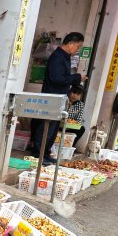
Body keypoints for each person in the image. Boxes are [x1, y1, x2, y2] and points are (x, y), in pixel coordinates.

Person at [31, 32, 88, 164]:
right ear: (70, 43)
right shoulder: (57, 57)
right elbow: (57, 79)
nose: (78, 49)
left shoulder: (64, 56)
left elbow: (63, 78)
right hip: (52, 97)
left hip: (59, 98)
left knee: (53, 128)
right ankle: (38, 154)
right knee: (46, 127)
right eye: (78, 46)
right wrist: (77, 77)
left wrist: (77, 79)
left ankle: (45, 153)